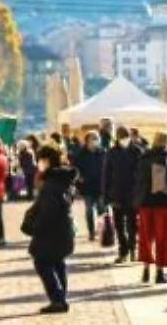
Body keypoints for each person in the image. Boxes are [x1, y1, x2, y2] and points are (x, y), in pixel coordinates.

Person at [26, 143, 77, 313]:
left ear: (47, 161)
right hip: (63, 229)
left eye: (40, 160)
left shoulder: (52, 183)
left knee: (42, 261)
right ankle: (60, 297)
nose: (38, 163)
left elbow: (49, 211)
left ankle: (58, 299)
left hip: (51, 231)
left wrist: (36, 226)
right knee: (57, 261)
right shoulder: (63, 178)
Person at [133, 131, 167, 284]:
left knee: (146, 236)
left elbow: (137, 179)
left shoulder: (144, 157)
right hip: (163, 202)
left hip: (145, 202)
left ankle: (146, 269)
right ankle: (160, 272)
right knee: (163, 237)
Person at [103, 125, 143, 264]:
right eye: (121, 137)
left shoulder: (137, 151)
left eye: (125, 136)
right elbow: (106, 174)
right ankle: (124, 251)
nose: (124, 139)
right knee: (119, 226)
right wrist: (106, 195)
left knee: (132, 225)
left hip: (132, 194)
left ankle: (132, 249)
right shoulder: (112, 152)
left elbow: (141, 174)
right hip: (117, 194)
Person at [72, 130, 107, 240]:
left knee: (102, 210)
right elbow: (75, 169)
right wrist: (79, 180)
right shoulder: (80, 154)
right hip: (87, 187)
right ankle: (91, 232)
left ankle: (103, 232)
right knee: (89, 210)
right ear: (87, 141)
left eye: (97, 138)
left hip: (101, 186)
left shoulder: (103, 153)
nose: (96, 140)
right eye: (93, 138)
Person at [20, 135, 40, 200]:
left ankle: (31, 195)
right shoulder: (26, 151)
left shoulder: (31, 151)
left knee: (31, 183)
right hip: (29, 169)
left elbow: (31, 161)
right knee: (29, 183)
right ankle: (30, 195)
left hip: (31, 169)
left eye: (30, 140)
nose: (29, 142)